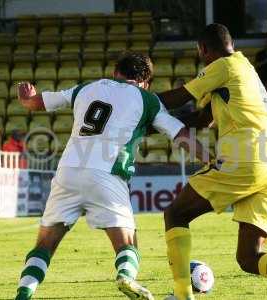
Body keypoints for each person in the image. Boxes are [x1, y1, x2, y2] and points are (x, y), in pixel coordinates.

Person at [13, 52, 210, 300]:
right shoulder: (147, 99)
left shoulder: (86, 88)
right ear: (145, 82)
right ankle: (126, 276)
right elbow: (179, 133)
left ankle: (23, 292)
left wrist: (26, 98)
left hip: (68, 172)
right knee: (127, 244)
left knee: (44, 245)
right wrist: (208, 158)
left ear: (116, 72)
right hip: (107, 175)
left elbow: (35, 103)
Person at [156, 24, 267, 300]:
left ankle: (182, 294)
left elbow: (180, 97)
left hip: (245, 159)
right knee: (248, 257)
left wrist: (140, 106)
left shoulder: (222, 66)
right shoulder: (243, 68)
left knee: (176, 214)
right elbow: (202, 120)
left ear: (203, 50)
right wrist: (155, 127)